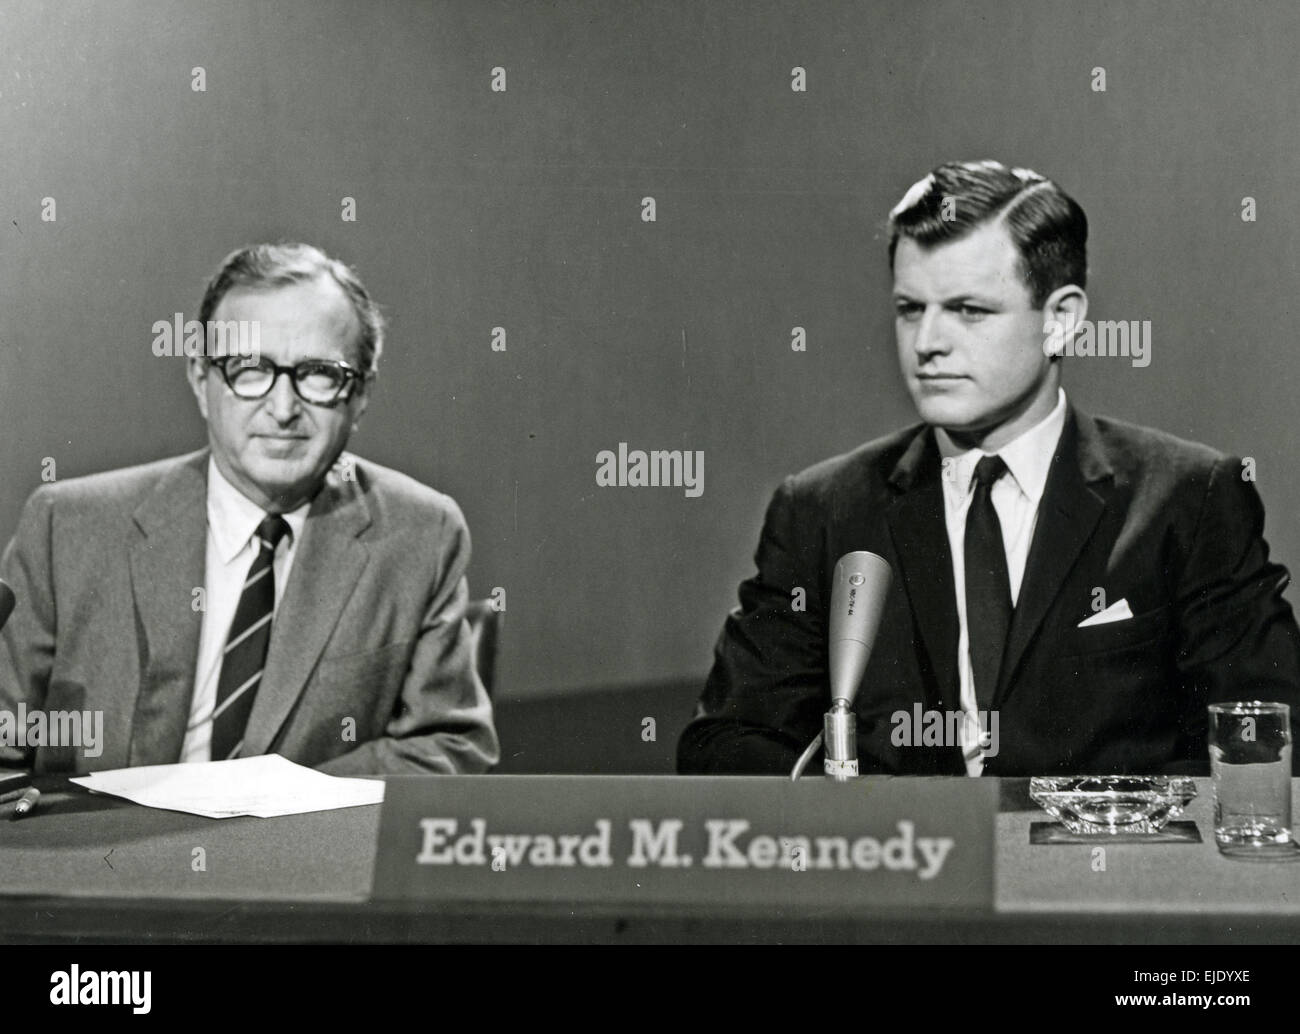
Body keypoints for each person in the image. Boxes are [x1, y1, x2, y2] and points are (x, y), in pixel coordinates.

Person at [678, 160, 1300, 777]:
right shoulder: (824, 510)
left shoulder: (1188, 499)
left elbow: (1264, 731)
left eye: (968, 310)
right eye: (909, 308)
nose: (927, 342)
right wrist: (863, 823)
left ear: (1061, 319)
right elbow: (728, 743)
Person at [0, 243, 499, 775]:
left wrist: (274, 807)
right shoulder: (66, 526)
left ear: (362, 394)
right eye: (250, 369)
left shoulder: (422, 533)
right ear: (200, 378)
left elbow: (449, 747)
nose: (283, 409)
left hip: (300, 851)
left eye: (319, 374)